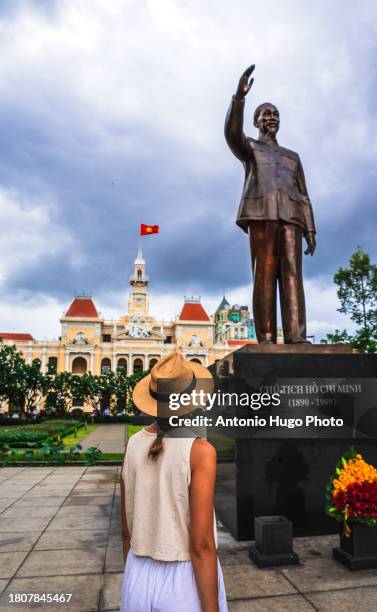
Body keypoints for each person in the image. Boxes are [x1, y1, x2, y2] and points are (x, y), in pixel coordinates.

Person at [120, 350, 228, 612]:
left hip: (136, 574)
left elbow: (126, 531)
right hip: (183, 582)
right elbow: (201, 546)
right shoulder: (200, 451)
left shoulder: (132, 445)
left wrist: (135, 575)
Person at [225, 65, 317, 344]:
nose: (272, 118)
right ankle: (265, 338)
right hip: (261, 216)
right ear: (257, 121)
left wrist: (311, 229)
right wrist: (238, 99)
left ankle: (296, 336)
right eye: (266, 114)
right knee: (263, 275)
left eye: (276, 114)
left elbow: (303, 194)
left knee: (292, 276)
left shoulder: (292, 157)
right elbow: (232, 134)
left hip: (291, 219)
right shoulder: (251, 148)